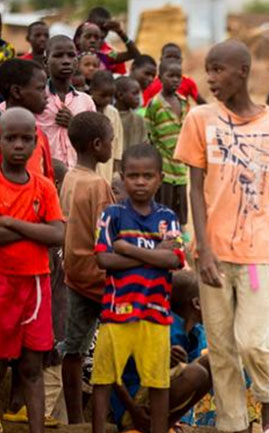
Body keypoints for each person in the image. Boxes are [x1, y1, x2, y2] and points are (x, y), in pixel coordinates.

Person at [173, 40, 269, 433]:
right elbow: (194, 187)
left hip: (258, 257)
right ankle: (234, 425)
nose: (209, 78)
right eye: (207, 70)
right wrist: (203, 248)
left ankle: (267, 401)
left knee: (254, 342)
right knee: (223, 350)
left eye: (217, 69)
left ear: (241, 71)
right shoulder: (199, 119)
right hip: (212, 257)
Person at [91, 144, 185, 433]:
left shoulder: (167, 217)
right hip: (116, 313)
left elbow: (175, 259)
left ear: (159, 177)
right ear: (122, 176)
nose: (140, 182)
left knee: (158, 382)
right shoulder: (113, 215)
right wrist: (154, 252)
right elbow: (103, 258)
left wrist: (126, 248)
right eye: (133, 176)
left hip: (156, 315)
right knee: (103, 379)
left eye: (147, 176)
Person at [0, 107, 64, 433]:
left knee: (32, 365)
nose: (19, 145)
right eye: (11, 138)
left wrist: (11, 223)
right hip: (2, 283)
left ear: (36, 141)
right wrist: (35, 226)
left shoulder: (43, 187)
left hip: (36, 286)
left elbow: (58, 234)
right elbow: (46, 231)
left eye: (27, 138)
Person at [58, 112, 115, 425]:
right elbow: (105, 237)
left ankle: (76, 418)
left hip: (73, 274)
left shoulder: (69, 176)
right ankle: (102, 416)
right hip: (98, 279)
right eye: (110, 142)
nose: (112, 146)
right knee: (107, 352)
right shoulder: (99, 185)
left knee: (74, 349)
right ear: (97, 145)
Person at [110, 271, 212, 433]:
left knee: (211, 363)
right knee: (196, 372)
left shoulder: (195, 333)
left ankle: (166, 423)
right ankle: (146, 424)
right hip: (134, 406)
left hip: (158, 395)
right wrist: (134, 410)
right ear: (197, 304)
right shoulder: (160, 328)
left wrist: (180, 363)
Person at [38, 35, 96, 169]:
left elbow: (94, 140)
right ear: (46, 62)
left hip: (77, 175)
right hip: (43, 174)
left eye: (71, 55)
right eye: (58, 56)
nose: (66, 61)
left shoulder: (86, 101)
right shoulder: (36, 98)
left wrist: (73, 124)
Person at [145, 61, 190, 226]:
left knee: (181, 209)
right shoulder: (155, 104)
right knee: (163, 207)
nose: (175, 80)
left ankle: (180, 242)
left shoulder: (184, 102)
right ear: (160, 78)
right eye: (171, 76)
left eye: (179, 76)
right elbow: (149, 134)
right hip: (164, 166)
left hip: (181, 167)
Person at [0, 58, 55, 182]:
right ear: (17, 92)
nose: (46, 95)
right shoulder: (2, 133)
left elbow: (47, 180)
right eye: (40, 89)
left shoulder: (38, 134)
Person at [89, 70, 124, 182]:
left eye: (110, 96)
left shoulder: (113, 113)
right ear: (92, 91)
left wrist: (116, 171)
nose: (107, 100)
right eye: (103, 95)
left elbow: (118, 143)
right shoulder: (84, 108)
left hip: (107, 166)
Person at [75, 21, 139, 75]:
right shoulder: (73, 58)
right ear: (78, 39)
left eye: (97, 38)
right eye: (88, 37)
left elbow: (134, 54)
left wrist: (121, 33)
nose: (93, 41)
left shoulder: (106, 56)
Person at [115, 77, 148, 148]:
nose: (138, 97)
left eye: (138, 94)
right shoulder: (110, 117)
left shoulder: (139, 119)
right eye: (134, 93)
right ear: (120, 95)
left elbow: (144, 143)